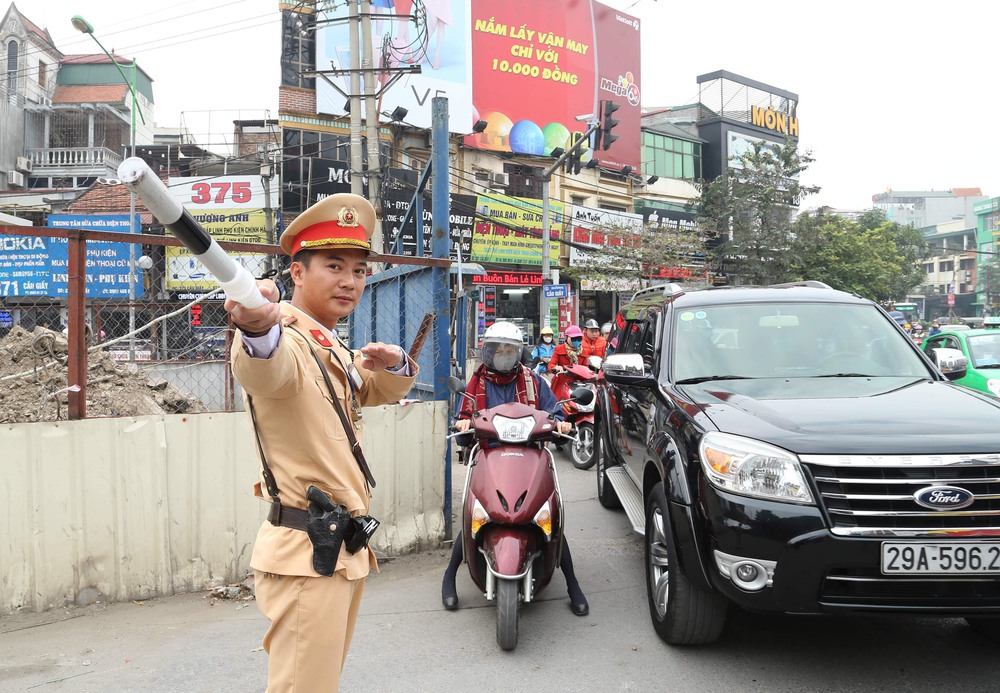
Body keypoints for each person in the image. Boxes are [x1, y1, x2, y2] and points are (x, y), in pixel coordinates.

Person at [226, 193, 418, 691]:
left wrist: (395, 363)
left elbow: (369, 388)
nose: (350, 281)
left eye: (358, 270)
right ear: (297, 272)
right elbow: (267, 370)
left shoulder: (325, 341)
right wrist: (255, 328)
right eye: (334, 266)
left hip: (338, 549)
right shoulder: (286, 339)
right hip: (308, 550)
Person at [441, 321, 589, 616]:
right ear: (488, 351)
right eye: (498, 349)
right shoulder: (476, 383)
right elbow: (464, 420)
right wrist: (463, 423)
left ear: (519, 353)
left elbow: (555, 411)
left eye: (510, 350)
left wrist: (561, 422)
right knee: (476, 514)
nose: (503, 355)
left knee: (548, 514)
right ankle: (449, 576)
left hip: (529, 455)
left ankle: (572, 583)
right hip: (490, 455)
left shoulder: (533, 381)